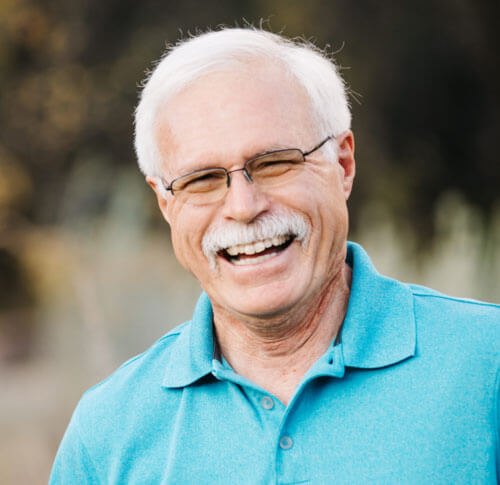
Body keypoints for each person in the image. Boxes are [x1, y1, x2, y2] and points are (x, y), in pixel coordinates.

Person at [50, 28, 500, 484]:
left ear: (342, 165)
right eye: (202, 179)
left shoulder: (489, 365)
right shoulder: (106, 432)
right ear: (166, 204)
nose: (243, 208)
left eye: (274, 163)